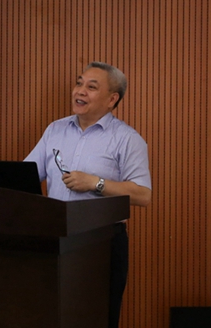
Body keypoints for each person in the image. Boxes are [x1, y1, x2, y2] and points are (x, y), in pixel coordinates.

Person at [24, 61, 152, 328]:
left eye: (91, 87)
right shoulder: (55, 130)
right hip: (54, 239)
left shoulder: (127, 139)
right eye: (79, 83)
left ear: (112, 99)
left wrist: (96, 183)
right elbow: (26, 176)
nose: (79, 91)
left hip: (101, 244)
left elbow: (142, 195)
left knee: (97, 319)